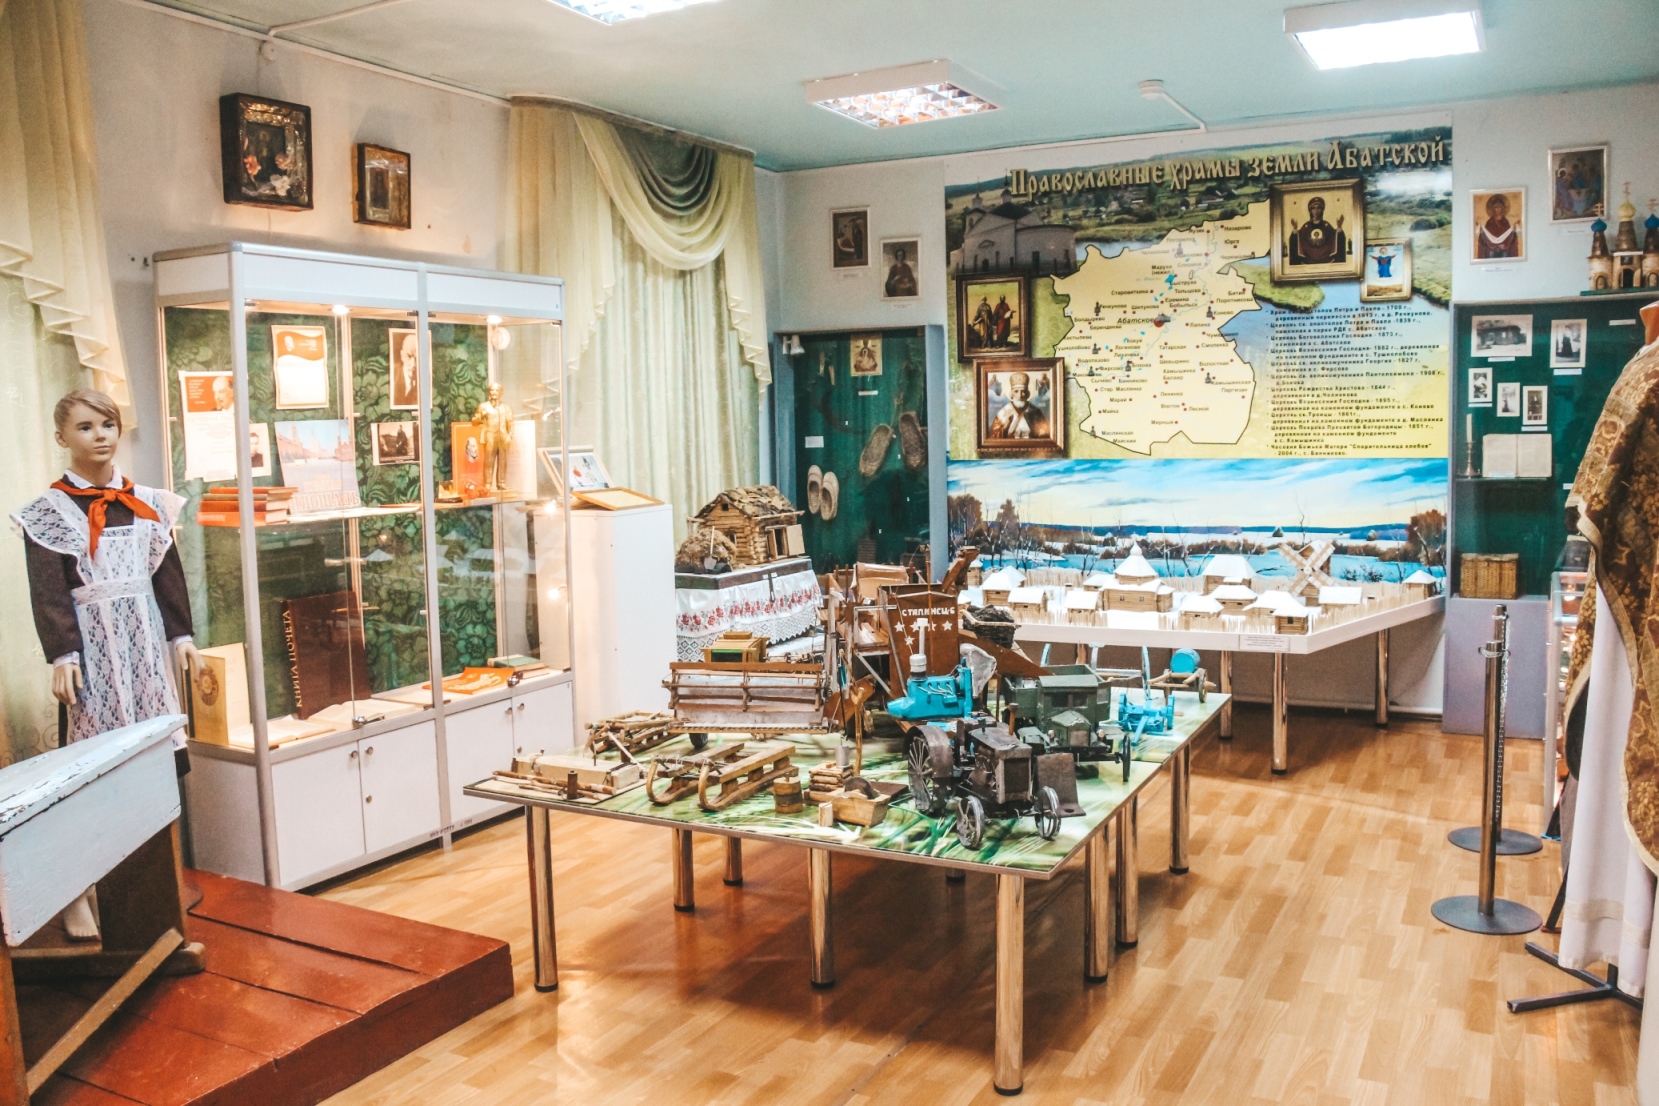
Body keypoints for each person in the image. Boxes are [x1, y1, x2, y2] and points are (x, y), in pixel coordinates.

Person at [12, 390, 196, 939]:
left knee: (154, 765)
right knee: (91, 773)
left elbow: (166, 574)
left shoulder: (148, 502)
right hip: (92, 657)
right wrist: (62, 654)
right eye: (86, 427)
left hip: (145, 650)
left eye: (108, 425)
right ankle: (75, 892)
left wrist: (182, 635)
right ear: (62, 437)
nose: (100, 436)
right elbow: (49, 594)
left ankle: (150, 892)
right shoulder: (49, 513)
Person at [988, 372, 1050, 439]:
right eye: (1016, 391)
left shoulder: (1036, 413)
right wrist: (1005, 427)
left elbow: (1045, 436)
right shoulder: (1002, 413)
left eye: (1023, 391)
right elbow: (993, 437)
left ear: (1027, 394)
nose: (1020, 395)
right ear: (1011, 394)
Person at [1288, 195, 1347, 265]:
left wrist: (1339, 227)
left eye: (1318, 208)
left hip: (1325, 258)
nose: (1316, 211)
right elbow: (1299, 238)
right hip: (1308, 258)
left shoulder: (1326, 225)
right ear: (1310, 211)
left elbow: (1334, 237)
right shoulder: (1306, 226)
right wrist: (1295, 230)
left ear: (1322, 210)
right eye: (1313, 208)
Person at [1476, 192, 1521, 259]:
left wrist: (1513, 232)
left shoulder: (1505, 222)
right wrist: (1482, 233)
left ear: (1502, 209)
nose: (1498, 209)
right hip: (1491, 251)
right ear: (1493, 209)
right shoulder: (1489, 222)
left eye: (1500, 207)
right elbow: (1485, 239)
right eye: (1496, 207)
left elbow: (1509, 237)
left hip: (1504, 251)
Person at [393, 332, 419, 407]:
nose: (413, 364)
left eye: (417, 359)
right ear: (402, 355)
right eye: (409, 356)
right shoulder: (393, 375)